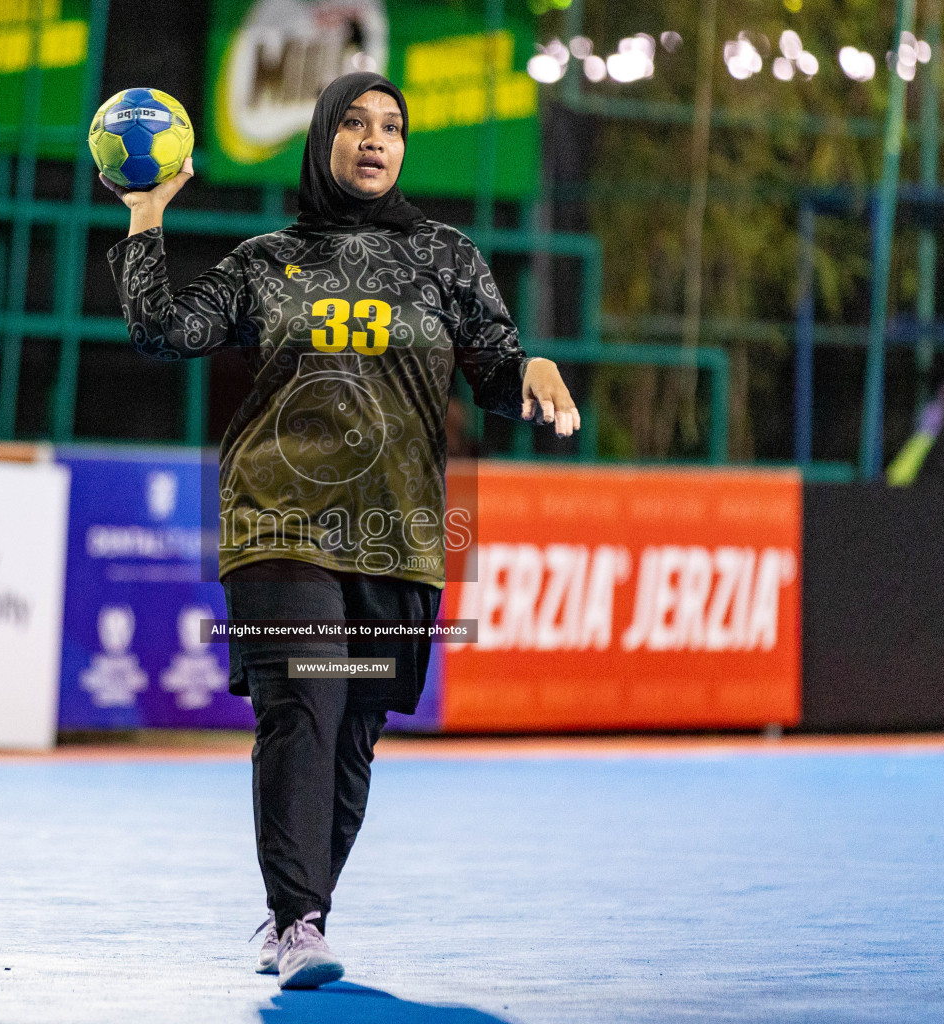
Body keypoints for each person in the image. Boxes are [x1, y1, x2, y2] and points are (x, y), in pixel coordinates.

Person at [107, 71, 579, 989]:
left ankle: (303, 913)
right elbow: (162, 330)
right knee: (304, 703)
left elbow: (495, 369)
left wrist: (536, 370)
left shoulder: (446, 256)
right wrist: (146, 212)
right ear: (322, 138)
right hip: (277, 521)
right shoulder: (261, 260)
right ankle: (298, 921)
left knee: (355, 729)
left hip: (399, 532)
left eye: (392, 126)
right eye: (356, 123)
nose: (376, 138)